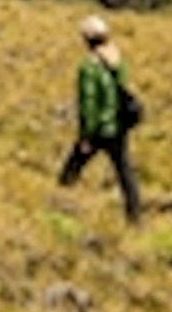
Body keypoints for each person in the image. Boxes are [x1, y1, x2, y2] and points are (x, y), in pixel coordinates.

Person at [57, 13, 143, 222]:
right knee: (125, 173)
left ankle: (58, 204)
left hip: (98, 130)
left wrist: (86, 135)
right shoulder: (117, 61)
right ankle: (135, 217)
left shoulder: (89, 67)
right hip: (118, 126)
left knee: (73, 167)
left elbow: (89, 104)